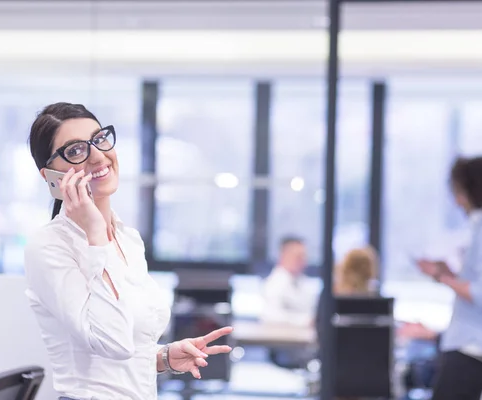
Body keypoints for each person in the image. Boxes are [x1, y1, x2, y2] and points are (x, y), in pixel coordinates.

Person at [24, 102, 233, 400]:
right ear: (51, 177)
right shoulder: (49, 247)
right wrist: (96, 236)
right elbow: (113, 341)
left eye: (99, 139)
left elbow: (124, 351)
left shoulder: (128, 238)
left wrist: (163, 358)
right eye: (75, 151)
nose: (97, 156)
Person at [416, 155, 482, 400]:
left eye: (458, 192)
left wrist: (441, 276)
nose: (457, 201)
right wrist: (451, 275)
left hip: (476, 350)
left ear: (474, 190)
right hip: (477, 348)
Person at [261, 236, 315, 326]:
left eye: (304, 256)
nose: (304, 261)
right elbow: (271, 316)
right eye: (299, 257)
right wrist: (305, 320)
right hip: (281, 337)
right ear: (284, 256)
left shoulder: (303, 281)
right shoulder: (274, 283)